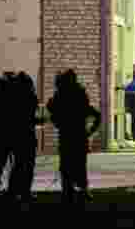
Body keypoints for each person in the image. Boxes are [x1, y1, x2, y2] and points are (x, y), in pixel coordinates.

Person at [47, 70, 101, 205]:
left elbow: (52, 112)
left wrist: (59, 123)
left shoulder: (61, 95)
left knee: (66, 164)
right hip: (79, 135)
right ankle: (83, 190)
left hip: (66, 135)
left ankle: (67, 192)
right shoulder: (79, 93)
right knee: (80, 164)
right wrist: (90, 131)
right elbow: (96, 114)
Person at [8, 72, 42, 204]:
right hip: (27, 136)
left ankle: (13, 191)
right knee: (28, 165)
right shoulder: (30, 97)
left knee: (18, 165)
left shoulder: (12, 97)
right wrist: (39, 121)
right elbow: (30, 118)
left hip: (16, 136)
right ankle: (25, 192)